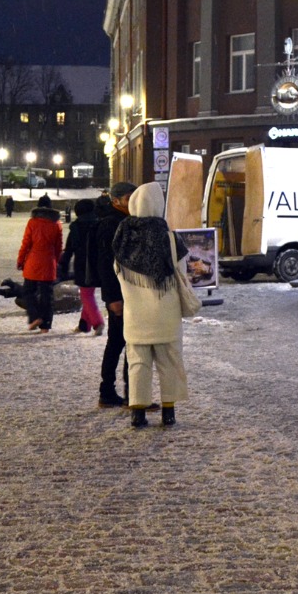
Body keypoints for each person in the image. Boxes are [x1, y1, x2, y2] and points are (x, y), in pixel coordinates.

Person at [113, 181, 191, 429]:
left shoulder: (123, 238)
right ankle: (168, 411)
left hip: (135, 314)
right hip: (166, 314)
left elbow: (116, 271)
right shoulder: (170, 239)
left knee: (138, 364)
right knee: (169, 362)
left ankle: (138, 412)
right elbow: (183, 273)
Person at [93, 181, 135, 407]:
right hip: (120, 294)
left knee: (128, 343)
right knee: (119, 342)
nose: (133, 203)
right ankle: (110, 391)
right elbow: (106, 264)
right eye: (129, 198)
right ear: (116, 201)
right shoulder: (112, 224)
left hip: (129, 292)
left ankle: (129, 392)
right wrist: (112, 298)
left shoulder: (126, 221)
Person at [17, 193, 62, 333]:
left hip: (33, 261)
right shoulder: (57, 224)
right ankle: (45, 325)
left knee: (28, 291)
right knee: (47, 295)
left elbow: (26, 243)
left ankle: (35, 316)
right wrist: (56, 260)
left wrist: (20, 259)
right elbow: (58, 246)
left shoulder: (32, 222)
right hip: (49, 262)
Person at [62, 198, 105, 335]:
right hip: (99, 264)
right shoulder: (100, 223)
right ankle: (84, 325)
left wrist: (64, 265)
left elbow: (69, 248)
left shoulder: (77, 226)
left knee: (86, 295)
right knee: (89, 293)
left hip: (83, 265)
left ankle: (97, 322)